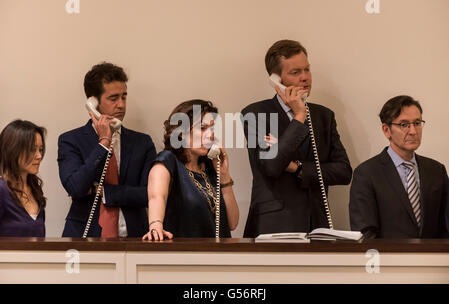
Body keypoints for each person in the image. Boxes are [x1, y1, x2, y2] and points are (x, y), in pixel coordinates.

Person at [241, 39, 352, 237]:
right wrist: (299, 116)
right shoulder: (256, 114)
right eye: (295, 72)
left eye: (307, 70)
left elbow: (344, 171)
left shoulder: (324, 116)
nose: (305, 78)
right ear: (276, 80)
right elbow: (272, 166)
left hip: (317, 223)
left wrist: (299, 168)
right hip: (275, 224)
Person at [58, 62, 157, 237]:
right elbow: (75, 187)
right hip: (84, 236)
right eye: (113, 98)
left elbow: (150, 194)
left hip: (135, 237)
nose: (121, 104)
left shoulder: (142, 142)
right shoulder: (70, 140)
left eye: (124, 97)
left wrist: (104, 192)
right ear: (93, 103)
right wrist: (103, 143)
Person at [350, 95, 448, 238]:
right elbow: (365, 233)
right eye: (404, 124)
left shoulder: (436, 170)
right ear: (386, 130)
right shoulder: (366, 173)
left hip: (432, 258)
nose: (413, 131)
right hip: (389, 258)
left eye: (417, 123)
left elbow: (446, 226)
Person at [142, 99, 239, 240]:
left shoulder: (210, 166)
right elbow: (157, 197)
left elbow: (233, 223)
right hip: (185, 255)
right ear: (181, 132)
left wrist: (224, 175)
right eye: (203, 128)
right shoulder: (167, 162)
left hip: (218, 255)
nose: (210, 135)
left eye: (212, 128)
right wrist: (155, 225)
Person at [0, 120, 47, 237]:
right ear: (13, 150)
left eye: (40, 149)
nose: (39, 156)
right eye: (32, 149)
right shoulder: (2, 190)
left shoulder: (35, 190)